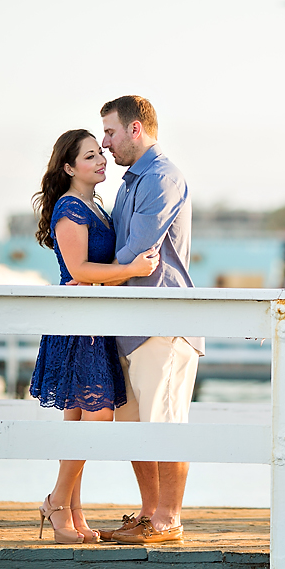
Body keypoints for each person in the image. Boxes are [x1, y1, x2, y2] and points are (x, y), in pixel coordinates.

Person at [29, 129, 160, 544]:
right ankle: (56, 500)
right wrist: (132, 271)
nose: (102, 158)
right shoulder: (70, 207)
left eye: (100, 153)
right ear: (69, 168)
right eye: (90, 156)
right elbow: (80, 270)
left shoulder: (95, 206)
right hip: (78, 326)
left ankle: (73, 516)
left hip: (93, 322)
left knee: (76, 418)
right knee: (97, 415)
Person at [95, 95, 205, 545]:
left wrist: (95, 278)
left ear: (135, 129)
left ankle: (168, 519)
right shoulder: (129, 183)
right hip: (132, 322)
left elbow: (138, 243)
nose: (105, 143)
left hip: (163, 320)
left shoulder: (162, 176)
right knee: (138, 425)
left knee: (165, 424)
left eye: (110, 131)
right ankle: (148, 515)